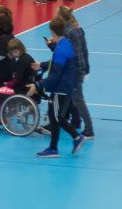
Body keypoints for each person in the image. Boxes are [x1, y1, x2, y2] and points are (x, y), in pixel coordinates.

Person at [35, 18, 87, 158]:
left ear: (52, 32)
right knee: (56, 117)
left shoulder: (61, 50)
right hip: (67, 86)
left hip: (61, 89)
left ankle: (54, 148)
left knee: (55, 117)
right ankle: (76, 138)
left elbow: (55, 75)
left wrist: (38, 85)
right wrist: (43, 62)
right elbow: (57, 62)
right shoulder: (65, 44)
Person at [57, 6, 94, 138]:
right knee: (68, 96)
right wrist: (87, 67)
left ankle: (89, 130)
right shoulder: (78, 29)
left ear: (61, 17)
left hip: (73, 70)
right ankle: (62, 120)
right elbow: (84, 49)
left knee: (78, 100)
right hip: (80, 67)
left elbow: (65, 53)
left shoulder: (66, 32)